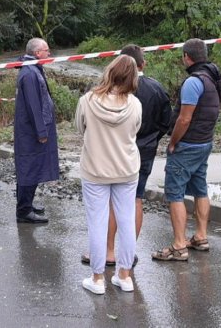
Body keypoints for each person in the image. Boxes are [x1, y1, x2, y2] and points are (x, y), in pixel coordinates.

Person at [80, 44, 172, 267]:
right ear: (143, 64)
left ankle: (108, 251)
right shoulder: (156, 89)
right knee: (135, 201)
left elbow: (83, 127)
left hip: (107, 154)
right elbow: (166, 122)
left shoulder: (97, 97)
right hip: (142, 153)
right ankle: (128, 254)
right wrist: (152, 139)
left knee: (106, 207)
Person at [152, 38, 221, 262]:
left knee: (175, 193)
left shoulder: (193, 82)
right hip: (204, 143)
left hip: (187, 145)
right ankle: (201, 237)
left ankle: (179, 246)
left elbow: (184, 119)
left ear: (187, 56)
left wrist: (173, 142)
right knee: (200, 189)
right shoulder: (214, 78)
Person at [75, 54, 142, 294]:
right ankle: (124, 276)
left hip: (95, 169)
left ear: (110, 72)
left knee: (97, 223)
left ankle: (97, 278)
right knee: (126, 221)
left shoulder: (87, 101)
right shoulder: (135, 104)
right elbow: (135, 130)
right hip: (127, 169)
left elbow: (80, 129)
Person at [13, 38, 59, 224]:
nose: (49, 53)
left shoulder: (32, 69)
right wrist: (41, 132)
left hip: (30, 130)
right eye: (46, 50)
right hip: (30, 132)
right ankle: (23, 211)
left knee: (32, 167)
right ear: (37, 53)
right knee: (29, 168)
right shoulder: (30, 74)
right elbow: (34, 106)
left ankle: (26, 204)